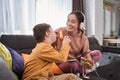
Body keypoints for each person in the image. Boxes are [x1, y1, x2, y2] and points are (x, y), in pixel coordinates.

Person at [52, 11, 102, 77]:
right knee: (74, 65)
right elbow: (49, 45)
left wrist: (88, 61)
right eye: (68, 20)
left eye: (72, 22)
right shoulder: (60, 31)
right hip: (62, 62)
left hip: (75, 60)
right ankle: (85, 69)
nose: (69, 23)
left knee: (97, 53)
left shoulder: (83, 38)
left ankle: (83, 68)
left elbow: (86, 53)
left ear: (80, 25)